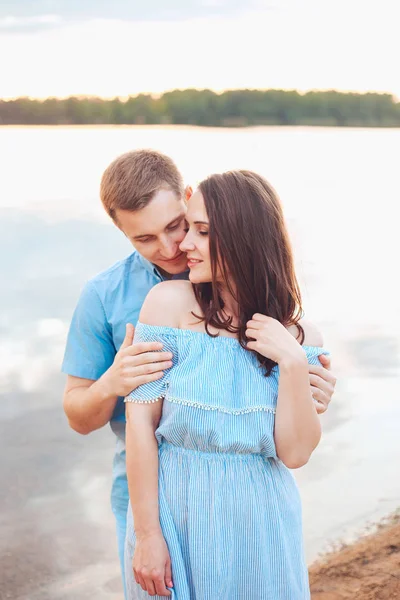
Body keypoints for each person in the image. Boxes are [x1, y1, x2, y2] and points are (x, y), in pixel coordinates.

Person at [61, 151, 336, 596]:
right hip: (157, 490)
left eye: (181, 227)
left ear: (188, 205)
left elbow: (296, 450)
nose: (173, 248)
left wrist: (297, 373)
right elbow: (95, 419)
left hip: (259, 516)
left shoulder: (292, 335)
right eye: (146, 239)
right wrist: (114, 380)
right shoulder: (124, 298)